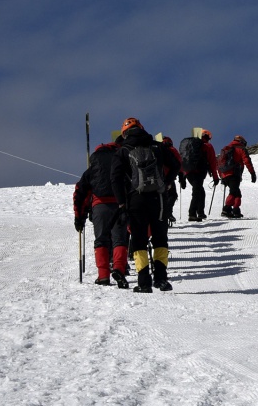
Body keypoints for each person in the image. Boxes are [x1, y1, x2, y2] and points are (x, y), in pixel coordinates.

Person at [120, 118, 177, 293]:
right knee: (160, 238)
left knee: (139, 241)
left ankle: (144, 282)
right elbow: (175, 164)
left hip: (135, 200)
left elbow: (115, 177)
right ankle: (161, 279)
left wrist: (122, 202)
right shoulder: (157, 147)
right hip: (158, 199)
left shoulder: (123, 150)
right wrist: (166, 183)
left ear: (124, 133)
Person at [74, 128, 131, 287]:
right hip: (119, 203)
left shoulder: (95, 164)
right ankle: (119, 269)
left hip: (99, 206)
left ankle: (103, 275)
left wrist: (80, 216)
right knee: (120, 238)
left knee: (101, 240)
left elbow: (81, 191)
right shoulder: (123, 159)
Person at [179, 128, 219, 221]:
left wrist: (182, 177)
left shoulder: (188, 145)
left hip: (188, 173)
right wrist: (215, 177)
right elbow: (212, 162)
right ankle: (192, 213)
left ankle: (200, 212)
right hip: (199, 172)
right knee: (197, 192)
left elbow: (183, 160)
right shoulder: (207, 146)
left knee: (200, 191)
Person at [217, 134, 257, 218]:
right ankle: (226, 209)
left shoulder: (226, 148)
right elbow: (247, 161)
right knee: (233, 192)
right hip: (234, 174)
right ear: (241, 141)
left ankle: (236, 210)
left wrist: (221, 175)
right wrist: (252, 173)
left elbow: (219, 163)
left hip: (224, 174)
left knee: (237, 193)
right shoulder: (240, 149)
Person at [154, 132, 185, 226]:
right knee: (172, 195)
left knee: (160, 197)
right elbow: (178, 162)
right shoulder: (172, 149)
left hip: (157, 177)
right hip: (169, 177)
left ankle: (161, 215)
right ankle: (168, 213)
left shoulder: (156, 149)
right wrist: (181, 176)